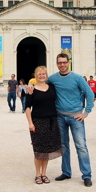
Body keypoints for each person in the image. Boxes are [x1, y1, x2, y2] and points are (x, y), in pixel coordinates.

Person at [28, 53, 94, 187]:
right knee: (63, 146)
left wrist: (86, 112)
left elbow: (90, 94)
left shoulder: (77, 78)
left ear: (68, 62)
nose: (62, 65)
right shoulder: (53, 79)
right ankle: (66, 172)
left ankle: (86, 175)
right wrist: (30, 84)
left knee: (81, 146)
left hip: (76, 117)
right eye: (60, 63)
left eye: (64, 62)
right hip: (59, 117)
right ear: (57, 64)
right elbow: (40, 81)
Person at [25, 66, 62, 184]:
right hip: (38, 122)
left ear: (46, 75)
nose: (42, 76)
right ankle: (37, 174)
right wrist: (30, 123)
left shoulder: (52, 87)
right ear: (36, 76)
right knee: (38, 150)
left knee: (46, 150)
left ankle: (44, 173)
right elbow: (27, 108)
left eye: (43, 74)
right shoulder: (32, 90)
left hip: (52, 121)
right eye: (39, 74)